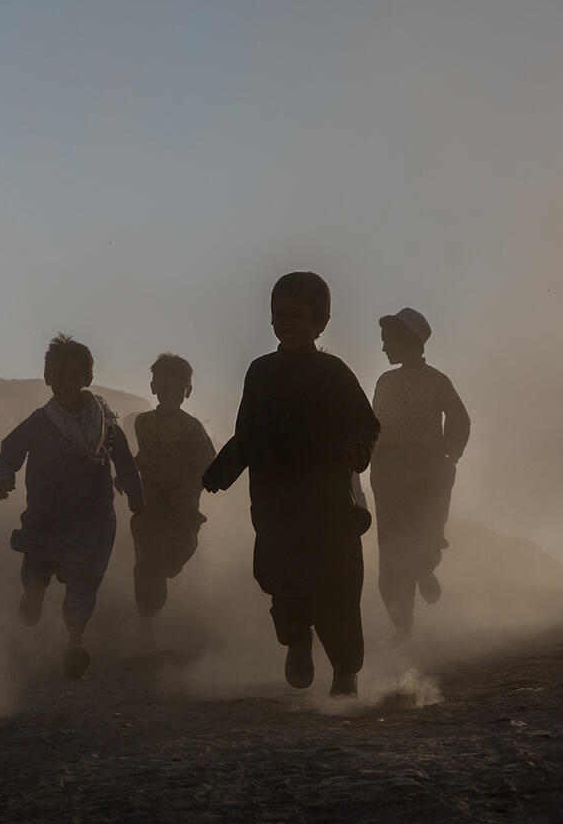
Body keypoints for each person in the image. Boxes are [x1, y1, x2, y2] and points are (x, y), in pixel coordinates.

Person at [202, 272, 380, 696]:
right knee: (282, 582)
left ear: (321, 321)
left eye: (298, 314)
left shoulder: (335, 373)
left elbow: (365, 422)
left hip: (331, 506)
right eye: (279, 315)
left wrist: (361, 450)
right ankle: (298, 643)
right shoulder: (259, 373)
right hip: (276, 505)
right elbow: (245, 435)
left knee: (338, 590)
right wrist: (217, 473)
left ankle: (345, 672)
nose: (287, 322)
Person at [0, 334, 145, 679]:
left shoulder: (104, 425)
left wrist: (137, 496)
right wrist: (3, 477)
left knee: (84, 583)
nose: (63, 384)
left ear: (87, 379)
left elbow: (125, 463)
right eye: (56, 376)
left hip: (92, 521)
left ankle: (75, 644)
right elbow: (9, 453)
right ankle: (33, 595)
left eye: (71, 377)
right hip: (45, 519)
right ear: (46, 378)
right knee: (35, 571)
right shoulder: (39, 422)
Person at [370, 307, 471, 639]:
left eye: (388, 341)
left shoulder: (436, 381)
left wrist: (449, 453)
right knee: (391, 553)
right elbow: (372, 427)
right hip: (387, 473)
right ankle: (402, 624)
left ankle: (425, 569)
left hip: (426, 472)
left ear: (408, 341)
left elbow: (459, 418)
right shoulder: (384, 382)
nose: (384, 348)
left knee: (425, 539)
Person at [130, 353, 216, 644]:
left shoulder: (193, 428)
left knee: (179, 549)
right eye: (164, 387)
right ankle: (146, 622)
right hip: (149, 505)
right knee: (146, 563)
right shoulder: (142, 423)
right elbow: (143, 456)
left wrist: (192, 485)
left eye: (178, 389)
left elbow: (207, 463)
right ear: (153, 387)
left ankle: (167, 569)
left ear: (187, 392)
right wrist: (128, 475)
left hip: (182, 508)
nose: (170, 394)